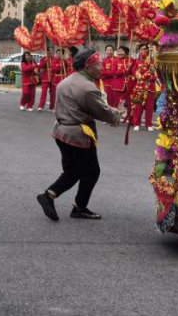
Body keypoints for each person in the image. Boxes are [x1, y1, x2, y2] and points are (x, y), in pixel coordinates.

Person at [37, 49, 120, 221]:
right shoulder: (87, 87)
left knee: (73, 171)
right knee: (92, 172)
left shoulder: (65, 81)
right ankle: (79, 207)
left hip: (61, 131)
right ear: (87, 67)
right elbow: (101, 111)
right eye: (97, 64)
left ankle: (50, 195)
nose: (101, 67)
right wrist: (117, 113)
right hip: (78, 135)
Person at [128, 43, 157, 131]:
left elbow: (155, 75)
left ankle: (149, 124)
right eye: (142, 49)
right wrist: (142, 77)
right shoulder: (136, 62)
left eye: (145, 49)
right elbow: (134, 73)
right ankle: (137, 123)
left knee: (149, 107)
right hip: (139, 87)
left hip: (150, 87)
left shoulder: (152, 62)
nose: (144, 51)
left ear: (148, 51)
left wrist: (151, 77)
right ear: (139, 50)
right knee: (138, 106)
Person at [36, 47, 58, 112]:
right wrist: (45, 61)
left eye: (51, 50)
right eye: (49, 51)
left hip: (53, 77)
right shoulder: (43, 58)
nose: (50, 52)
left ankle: (52, 107)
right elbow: (41, 66)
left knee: (53, 93)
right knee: (44, 92)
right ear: (47, 52)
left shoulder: (55, 59)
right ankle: (40, 106)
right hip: (45, 76)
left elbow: (57, 67)